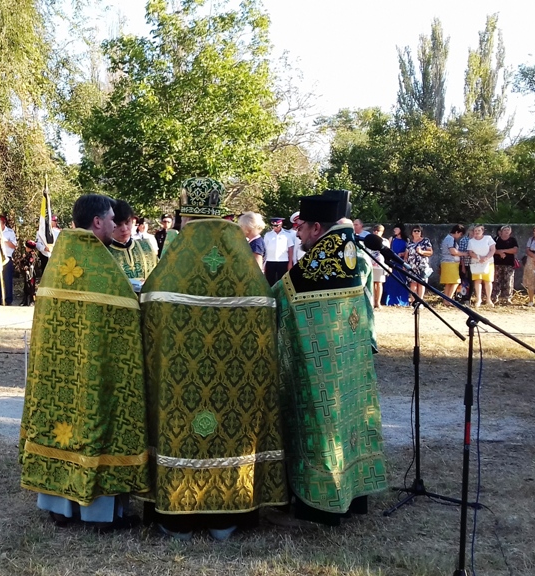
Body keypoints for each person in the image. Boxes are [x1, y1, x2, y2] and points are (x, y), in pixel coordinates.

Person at [141, 177, 286, 540]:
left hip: (180, 380)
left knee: (182, 430)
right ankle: (229, 517)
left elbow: (151, 300)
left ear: (186, 213)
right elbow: (266, 304)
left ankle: (177, 518)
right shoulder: (239, 253)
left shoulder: (177, 253)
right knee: (229, 430)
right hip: (234, 382)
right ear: (220, 210)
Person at [20, 193, 149, 530]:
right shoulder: (100, 265)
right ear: (97, 222)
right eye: (110, 219)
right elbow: (127, 315)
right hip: (96, 374)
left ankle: (59, 508)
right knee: (95, 428)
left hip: (59, 375)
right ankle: (98, 515)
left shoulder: (61, 258)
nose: (114, 224)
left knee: (60, 428)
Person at [274, 192, 387, 526]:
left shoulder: (323, 258)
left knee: (323, 425)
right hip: (349, 363)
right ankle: (353, 499)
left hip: (323, 370)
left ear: (316, 227)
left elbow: (281, 294)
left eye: (302, 228)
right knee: (349, 422)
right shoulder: (346, 249)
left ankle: (320, 507)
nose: (297, 234)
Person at [108, 200, 158, 287]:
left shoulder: (146, 246)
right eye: (118, 224)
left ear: (132, 221)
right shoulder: (104, 251)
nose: (124, 229)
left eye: (127, 223)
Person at [468, 225, 496, 308]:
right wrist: (479, 258)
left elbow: (492, 249)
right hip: (476, 263)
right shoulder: (471, 241)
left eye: (479, 230)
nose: (477, 232)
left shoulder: (488, 238)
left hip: (488, 262)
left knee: (488, 281)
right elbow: (470, 252)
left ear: (482, 231)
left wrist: (486, 257)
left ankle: (488, 299)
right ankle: (478, 299)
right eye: (475, 230)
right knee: (477, 281)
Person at [383, 225, 411, 306]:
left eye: (396, 228)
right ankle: (390, 300)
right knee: (391, 281)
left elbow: (408, 251)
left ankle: (401, 300)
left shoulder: (407, 240)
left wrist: (402, 254)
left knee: (401, 281)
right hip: (392, 263)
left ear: (400, 229)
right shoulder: (392, 239)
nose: (394, 230)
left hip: (401, 263)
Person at [0, 215, 17, 305]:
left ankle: (8, 299)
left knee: (7, 279)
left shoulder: (10, 232)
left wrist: (5, 240)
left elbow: (14, 246)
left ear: (4, 223)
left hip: (7, 258)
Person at [492, 225, 519, 304]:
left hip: (509, 264)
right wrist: (499, 252)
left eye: (508, 230)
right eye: (505, 230)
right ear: (501, 232)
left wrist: (503, 251)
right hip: (497, 263)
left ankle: (507, 298)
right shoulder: (496, 239)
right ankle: (495, 297)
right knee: (496, 281)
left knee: (508, 281)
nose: (506, 232)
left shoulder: (512, 240)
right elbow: (492, 250)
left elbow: (515, 250)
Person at [263, 216, 293, 286]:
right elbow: (264, 249)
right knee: (270, 281)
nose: (275, 227)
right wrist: (263, 263)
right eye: (273, 225)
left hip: (283, 261)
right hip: (270, 261)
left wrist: (290, 262)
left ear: (281, 224)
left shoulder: (287, 235)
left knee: (282, 282)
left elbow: (290, 249)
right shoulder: (268, 235)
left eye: (276, 225)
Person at [405, 226, 434, 299]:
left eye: (418, 231)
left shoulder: (425, 241)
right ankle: (413, 301)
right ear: (412, 233)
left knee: (421, 283)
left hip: (422, 265)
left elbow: (430, 252)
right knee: (413, 283)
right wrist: (405, 264)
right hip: (412, 265)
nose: (417, 232)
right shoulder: (410, 243)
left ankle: (420, 302)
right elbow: (406, 255)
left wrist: (422, 252)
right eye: (415, 231)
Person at [440, 224, 467, 301]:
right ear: (457, 232)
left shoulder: (448, 238)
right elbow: (453, 251)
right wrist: (463, 253)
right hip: (450, 263)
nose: (460, 236)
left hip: (448, 263)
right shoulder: (450, 239)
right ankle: (449, 300)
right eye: (460, 234)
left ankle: (446, 300)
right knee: (456, 281)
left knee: (449, 283)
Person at [35, 215, 60, 281]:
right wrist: (44, 248)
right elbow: (37, 243)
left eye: (55, 221)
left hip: (56, 256)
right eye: (53, 221)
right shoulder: (40, 232)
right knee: (45, 276)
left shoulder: (59, 232)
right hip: (45, 255)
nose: (55, 222)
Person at [369, 225, 388, 309]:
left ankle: (378, 302)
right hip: (370, 263)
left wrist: (387, 266)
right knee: (371, 283)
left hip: (380, 264)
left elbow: (387, 254)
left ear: (382, 232)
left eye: (378, 230)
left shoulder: (385, 241)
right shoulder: (369, 240)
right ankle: (372, 302)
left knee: (379, 283)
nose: (376, 232)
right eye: (374, 230)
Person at [17, 240, 39, 306]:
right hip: (26, 273)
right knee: (26, 287)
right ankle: (25, 301)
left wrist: (27, 267)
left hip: (31, 274)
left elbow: (31, 264)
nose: (25, 248)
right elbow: (22, 261)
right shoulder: (26, 254)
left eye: (26, 247)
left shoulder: (32, 255)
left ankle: (33, 301)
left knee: (31, 287)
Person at [457, 226, 474, 303]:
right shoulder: (464, 240)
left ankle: (468, 298)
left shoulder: (477, 240)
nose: (474, 232)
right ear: (469, 231)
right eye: (472, 231)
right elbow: (461, 254)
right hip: (465, 264)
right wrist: (463, 266)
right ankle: (461, 298)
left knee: (471, 282)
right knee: (462, 281)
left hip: (474, 265)